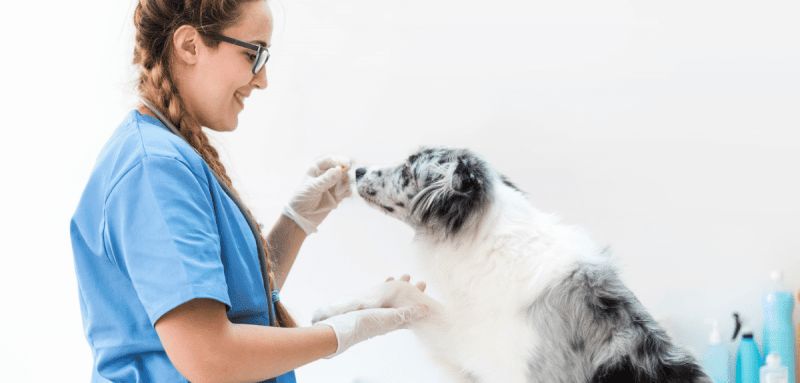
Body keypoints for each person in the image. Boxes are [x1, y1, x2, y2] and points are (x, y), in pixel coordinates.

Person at [69, 1, 429, 382]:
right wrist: (348, 330)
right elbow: (210, 357)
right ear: (190, 46)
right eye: (253, 54)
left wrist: (297, 223)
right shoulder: (154, 168)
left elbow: (235, 308)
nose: (262, 79)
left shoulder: (168, 156)